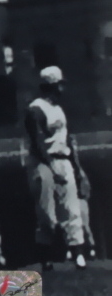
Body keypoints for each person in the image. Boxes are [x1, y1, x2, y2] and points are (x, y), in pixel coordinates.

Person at [25, 66, 86, 269]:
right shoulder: (35, 109)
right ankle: (46, 257)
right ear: (51, 85)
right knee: (46, 213)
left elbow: (68, 140)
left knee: (72, 209)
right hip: (43, 162)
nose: (62, 88)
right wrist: (52, 167)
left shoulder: (59, 109)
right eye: (59, 84)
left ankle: (78, 254)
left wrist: (77, 168)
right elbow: (38, 141)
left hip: (63, 159)